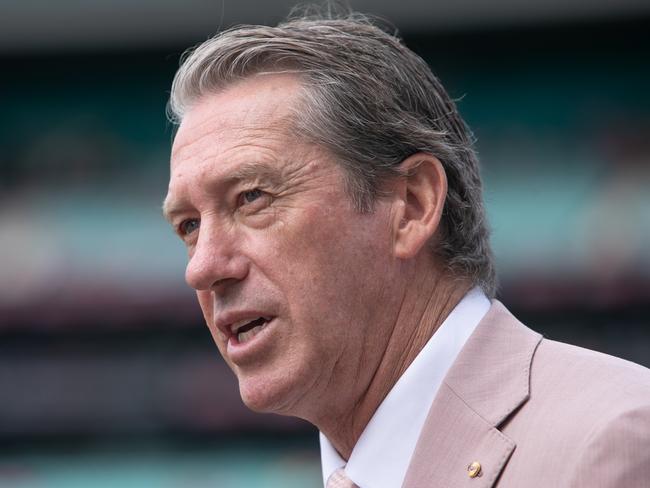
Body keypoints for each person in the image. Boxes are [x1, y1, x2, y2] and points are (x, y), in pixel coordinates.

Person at [162, 10, 650, 488]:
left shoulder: (612, 444)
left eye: (252, 198)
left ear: (412, 205)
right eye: (188, 226)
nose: (202, 267)